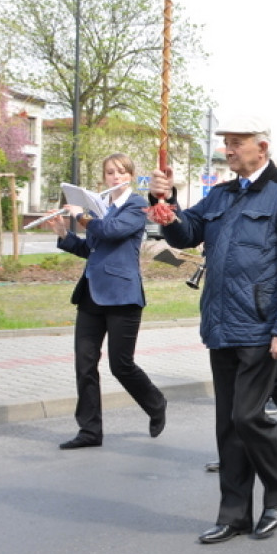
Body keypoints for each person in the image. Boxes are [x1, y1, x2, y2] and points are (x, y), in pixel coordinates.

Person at [147, 115, 277, 544]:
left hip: (262, 326)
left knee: (247, 416)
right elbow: (187, 234)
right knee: (228, 424)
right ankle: (234, 513)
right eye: (225, 142)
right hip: (222, 323)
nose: (228, 150)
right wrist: (164, 204)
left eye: (236, 143)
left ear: (261, 147)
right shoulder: (222, 193)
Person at [48, 152, 167, 450]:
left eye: (121, 171)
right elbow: (92, 248)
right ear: (104, 177)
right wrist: (64, 233)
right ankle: (89, 431)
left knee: (121, 365)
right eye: (110, 172)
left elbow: (111, 231)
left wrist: (80, 215)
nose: (115, 176)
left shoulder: (136, 205)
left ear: (129, 174)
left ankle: (155, 403)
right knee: (84, 365)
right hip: (91, 294)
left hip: (122, 296)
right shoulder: (101, 208)